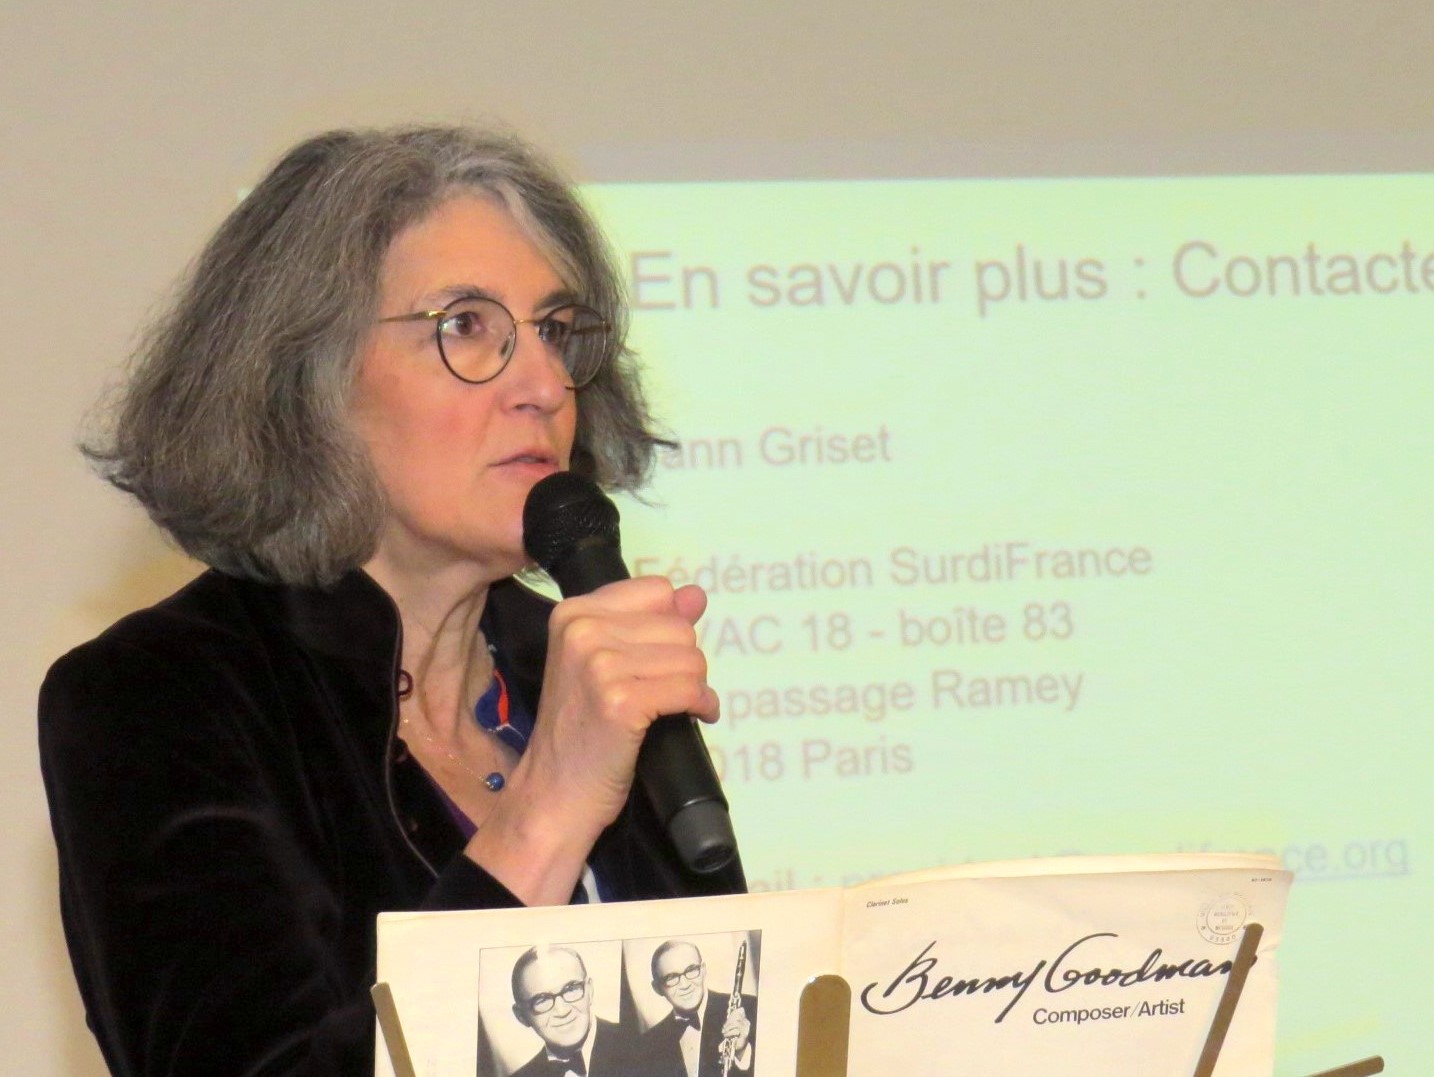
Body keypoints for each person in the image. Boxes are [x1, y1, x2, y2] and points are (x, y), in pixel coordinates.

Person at [37, 124, 746, 1076]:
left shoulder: (575, 667)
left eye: (555, 330)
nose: (544, 384)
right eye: (467, 326)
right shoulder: (160, 697)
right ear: (310, 379)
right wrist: (546, 811)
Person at [506, 946, 634, 1077]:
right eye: (542, 1000)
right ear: (521, 1016)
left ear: (589, 991)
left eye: (571, 989)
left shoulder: (637, 1046)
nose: (562, 1011)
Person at [639, 940, 756, 1077]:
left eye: (691, 970)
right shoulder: (648, 1045)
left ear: (703, 970)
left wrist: (742, 1053)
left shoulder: (751, 1009)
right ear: (657, 988)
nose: (685, 984)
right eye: (671, 977)